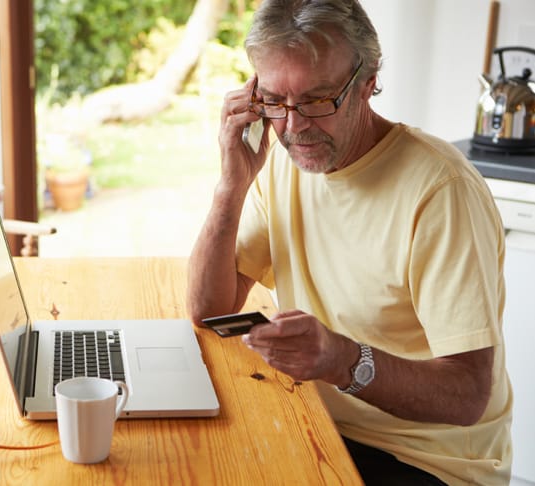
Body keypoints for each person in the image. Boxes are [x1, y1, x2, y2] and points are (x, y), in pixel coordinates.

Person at [186, 1, 512, 484]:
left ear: (368, 80)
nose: (294, 128)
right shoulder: (281, 163)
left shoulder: (441, 191)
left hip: (427, 460)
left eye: (318, 100)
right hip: (319, 425)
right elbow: (210, 311)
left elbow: (466, 396)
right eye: (274, 101)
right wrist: (229, 187)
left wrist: (341, 360)